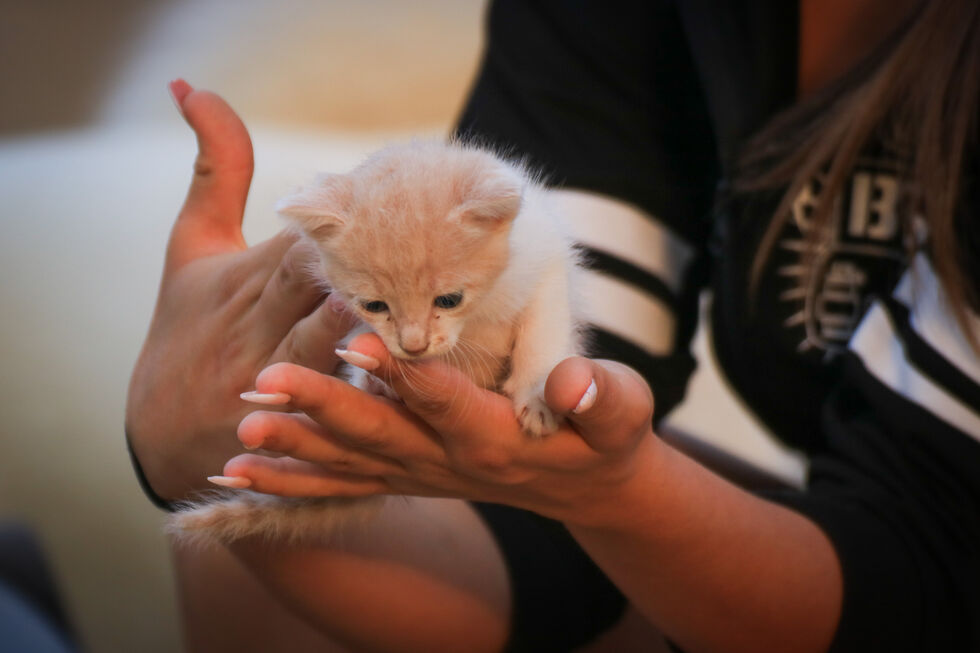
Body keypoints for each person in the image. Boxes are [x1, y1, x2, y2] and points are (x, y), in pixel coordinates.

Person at [126, 1, 980, 651]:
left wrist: (618, 492)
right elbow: (540, 532)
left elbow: (934, 574)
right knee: (238, 557)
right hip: (878, 519)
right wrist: (206, 457)